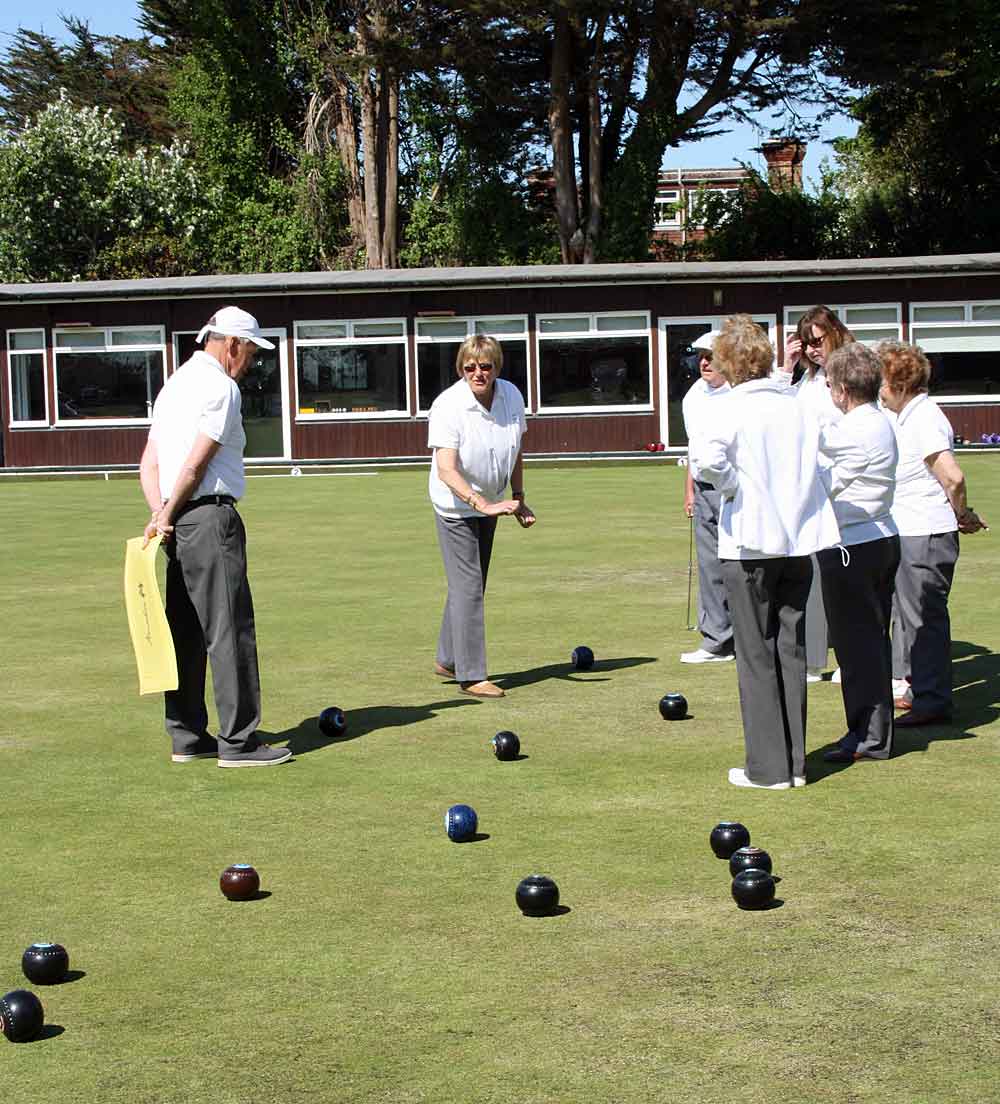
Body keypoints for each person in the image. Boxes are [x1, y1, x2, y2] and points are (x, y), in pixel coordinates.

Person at [139, 306, 291, 767]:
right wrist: (168, 510)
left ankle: (186, 736)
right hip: (207, 517)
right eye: (250, 354)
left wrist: (159, 514)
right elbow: (196, 463)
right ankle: (239, 743)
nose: (250, 364)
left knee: (184, 631)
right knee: (229, 630)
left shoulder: (174, 384)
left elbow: (149, 462)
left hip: (174, 522)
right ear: (231, 345)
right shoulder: (221, 388)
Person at [694, 315, 841, 789]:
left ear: (730, 363)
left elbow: (707, 461)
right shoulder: (797, 404)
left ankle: (768, 769)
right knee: (791, 651)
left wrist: (737, 489)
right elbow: (827, 463)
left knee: (756, 655)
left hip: (751, 543)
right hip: (799, 543)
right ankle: (795, 764)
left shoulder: (727, 407)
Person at [878, 341, 987, 727]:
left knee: (924, 618)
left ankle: (934, 700)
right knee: (910, 618)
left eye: (883, 382)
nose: (879, 390)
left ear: (899, 383)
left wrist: (962, 514)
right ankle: (920, 688)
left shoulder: (923, 418)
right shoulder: (910, 417)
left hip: (925, 531)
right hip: (912, 530)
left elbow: (953, 476)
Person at [427, 335, 536, 699]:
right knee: (469, 586)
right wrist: (482, 504)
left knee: (470, 585)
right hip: (456, 506)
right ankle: (471, 676)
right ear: (461, 369)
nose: (478, 373)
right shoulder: (448, 405)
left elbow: (516, 450)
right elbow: (446, 469)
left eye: (485, 366)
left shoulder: (512, 396)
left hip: (492, 501)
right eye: (469, 367)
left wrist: (518, 498)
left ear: (497, 368)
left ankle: (448, 657)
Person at [815, 344, 900, 763]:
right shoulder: (878, 421)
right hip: (880, 537)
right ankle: (872, 731)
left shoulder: (853, 429)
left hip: (855, 544)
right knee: (870, 642)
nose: (828, 391)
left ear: (843, 389)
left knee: (857, 647)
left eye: (829, 384)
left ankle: (868, 736)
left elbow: (822, 480)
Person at [785, 306, 855, 683]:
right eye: (806, 343)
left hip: (845, 490)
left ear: (835, 334)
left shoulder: (852, 378)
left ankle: (849, 658)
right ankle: (813, 659)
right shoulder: (805, 382)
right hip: (810, 490)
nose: (813, 349)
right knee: (811, 577)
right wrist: (787, 365)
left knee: (844, 579)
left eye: (818, 341)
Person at [680, 330, 734, 663]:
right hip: (703, 488)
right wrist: (689, 489)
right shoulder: (694, 396)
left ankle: (745, 637)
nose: (704, 362)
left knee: (739, 566)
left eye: (711, 356)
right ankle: (717, 639)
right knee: (709, 566)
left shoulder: (739, 395)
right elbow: (694, 447)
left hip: (733, 488)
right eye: (701, 355)